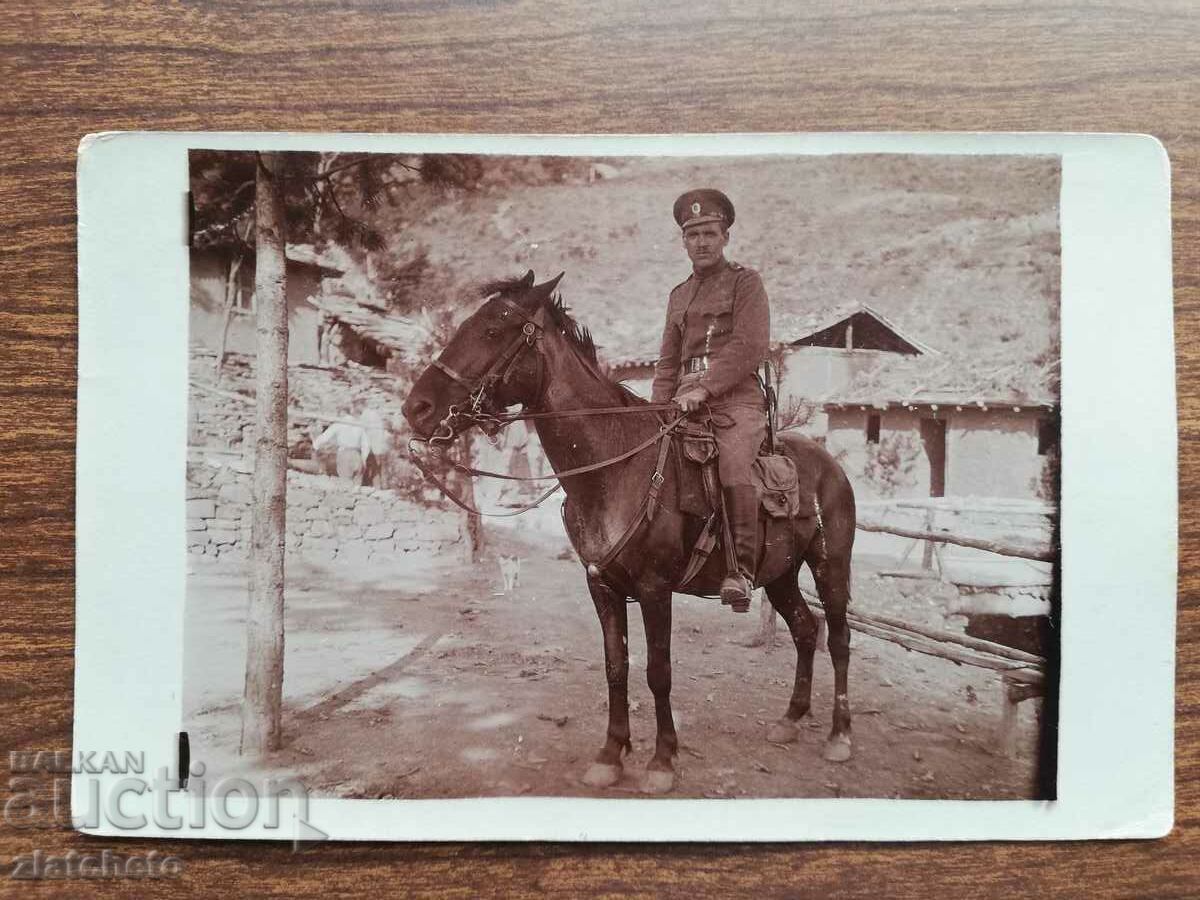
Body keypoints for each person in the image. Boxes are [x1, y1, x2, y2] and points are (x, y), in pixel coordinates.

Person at [650, 189, 770, 611]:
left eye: (709, 233)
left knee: (734, 464)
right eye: (692, 235)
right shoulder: (678, 295)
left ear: (725, 237)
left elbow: (749, 344)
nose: (701, 242)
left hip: (736, 402)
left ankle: (742, 571)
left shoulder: (745, 282)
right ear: (683, 241)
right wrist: (657, 407)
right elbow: (668, 363)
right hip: (683, 404)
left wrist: (707, 387)